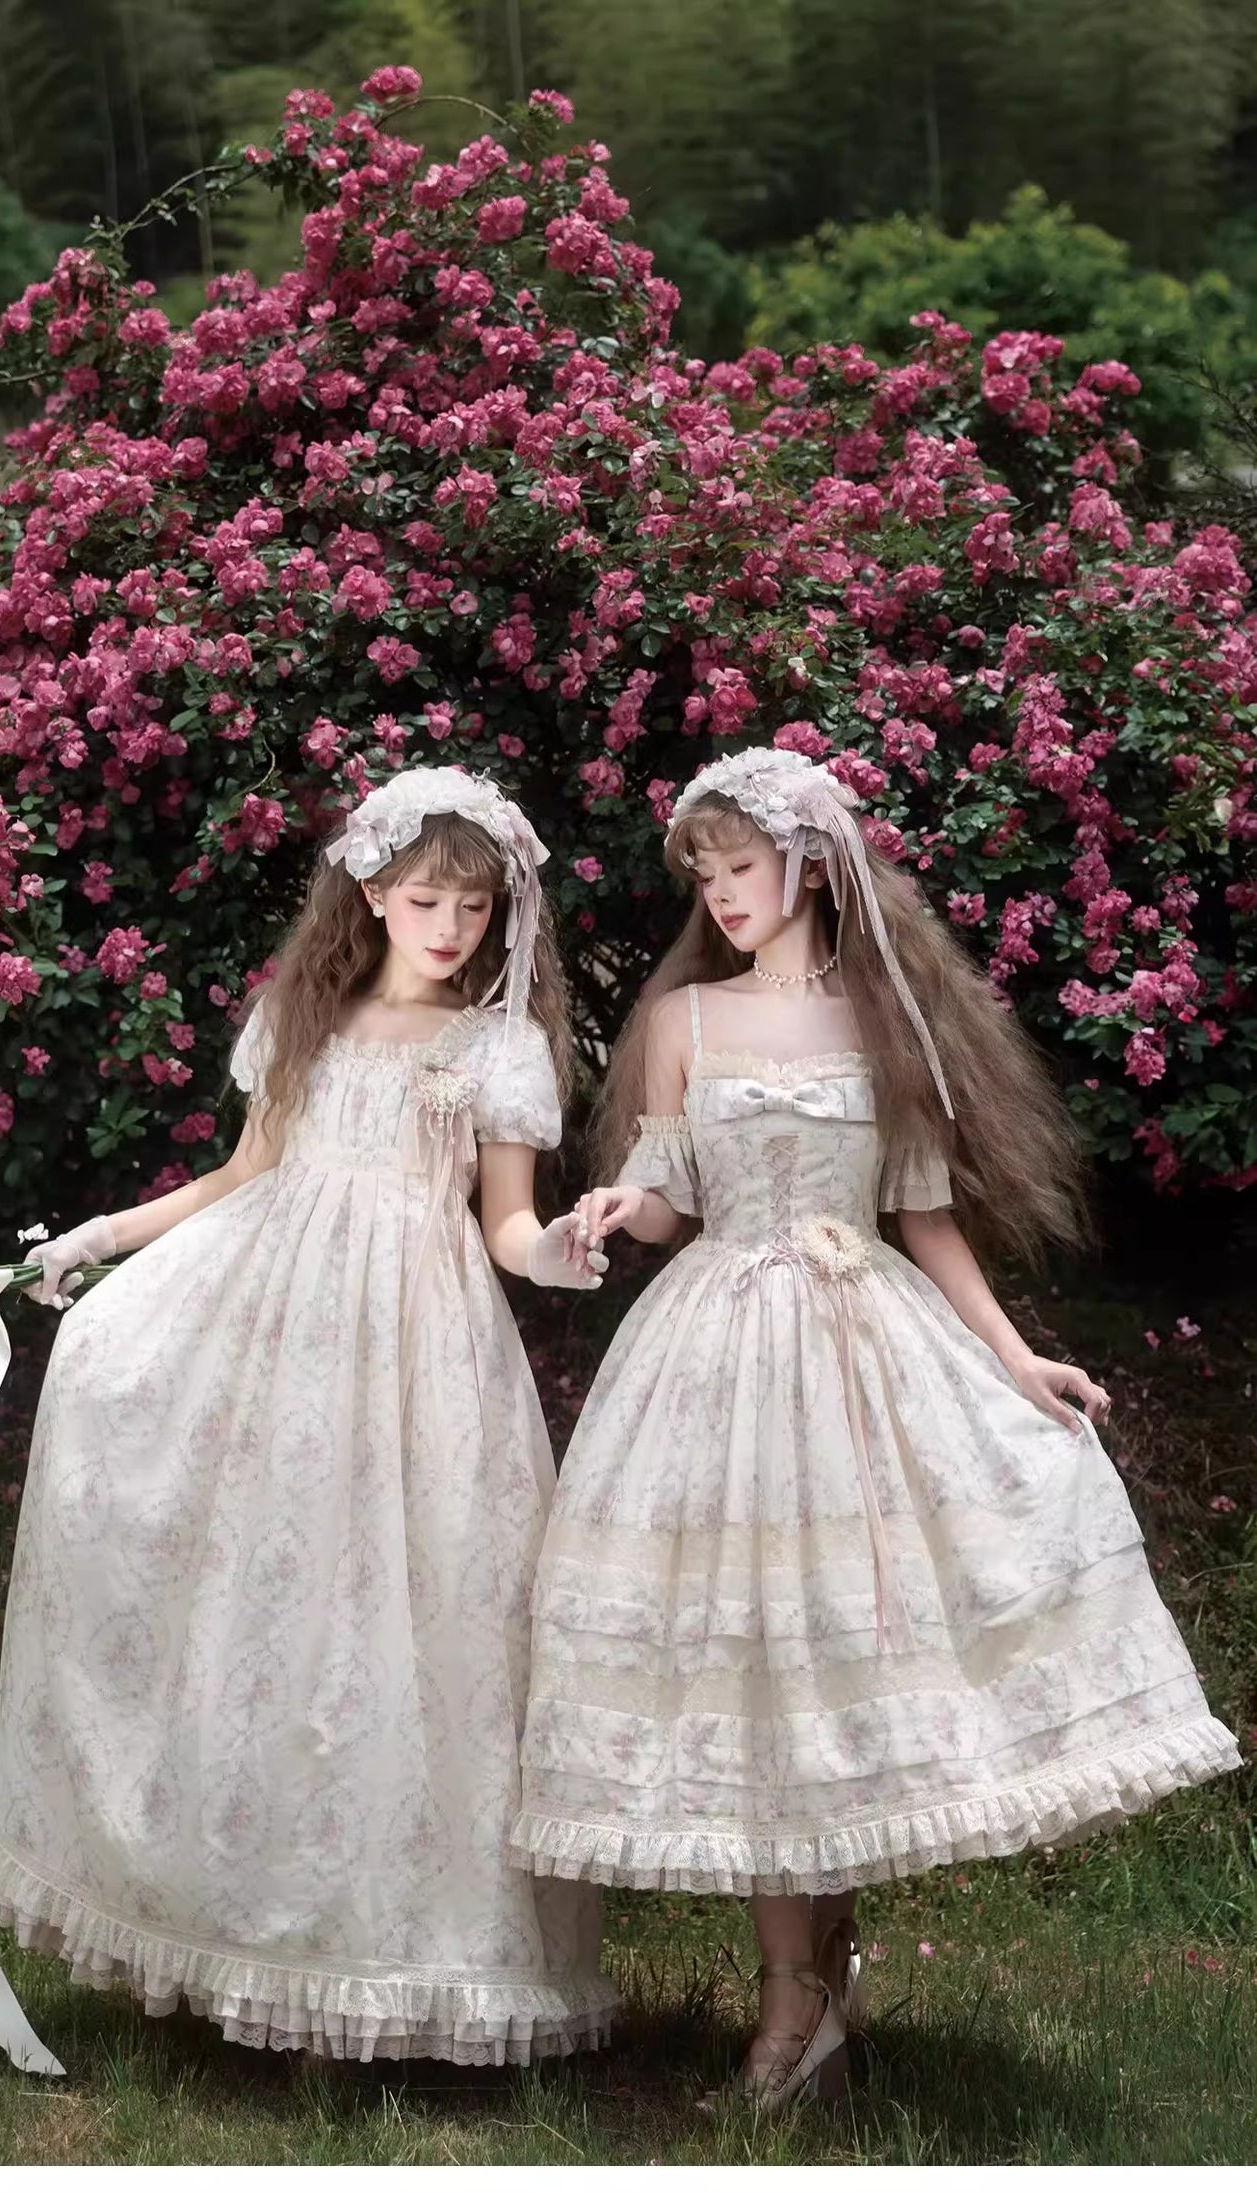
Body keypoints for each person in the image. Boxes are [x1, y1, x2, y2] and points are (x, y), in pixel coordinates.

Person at [509, 745, 1240, 2109]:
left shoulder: (882, 1019)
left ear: (810, 863)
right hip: (717, 1355)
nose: (724, 895)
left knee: (835, 1655)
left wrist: (1017, 1359)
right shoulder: (683, 1019)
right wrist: (615, 1206)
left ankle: (822, 1983)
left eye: (742, 866)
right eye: (706, 876)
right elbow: (668, 1199)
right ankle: (793, 1996)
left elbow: (923, 1216)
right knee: (751, 1662)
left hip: (860, 1352)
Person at [0, 765, 619, 2066]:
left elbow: (506, 1222)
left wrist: (553, 1255)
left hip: (419, 1349)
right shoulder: (303, 1021)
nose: (450, 927)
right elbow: (242, 1174)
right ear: (369, 893)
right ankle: (241, 1921)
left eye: (475, 907)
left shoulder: (496, 1049)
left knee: (400, 1619)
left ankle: (379, 1948)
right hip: (276, 1330)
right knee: (262, 1611)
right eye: (425, 899)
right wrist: (92, 1243)